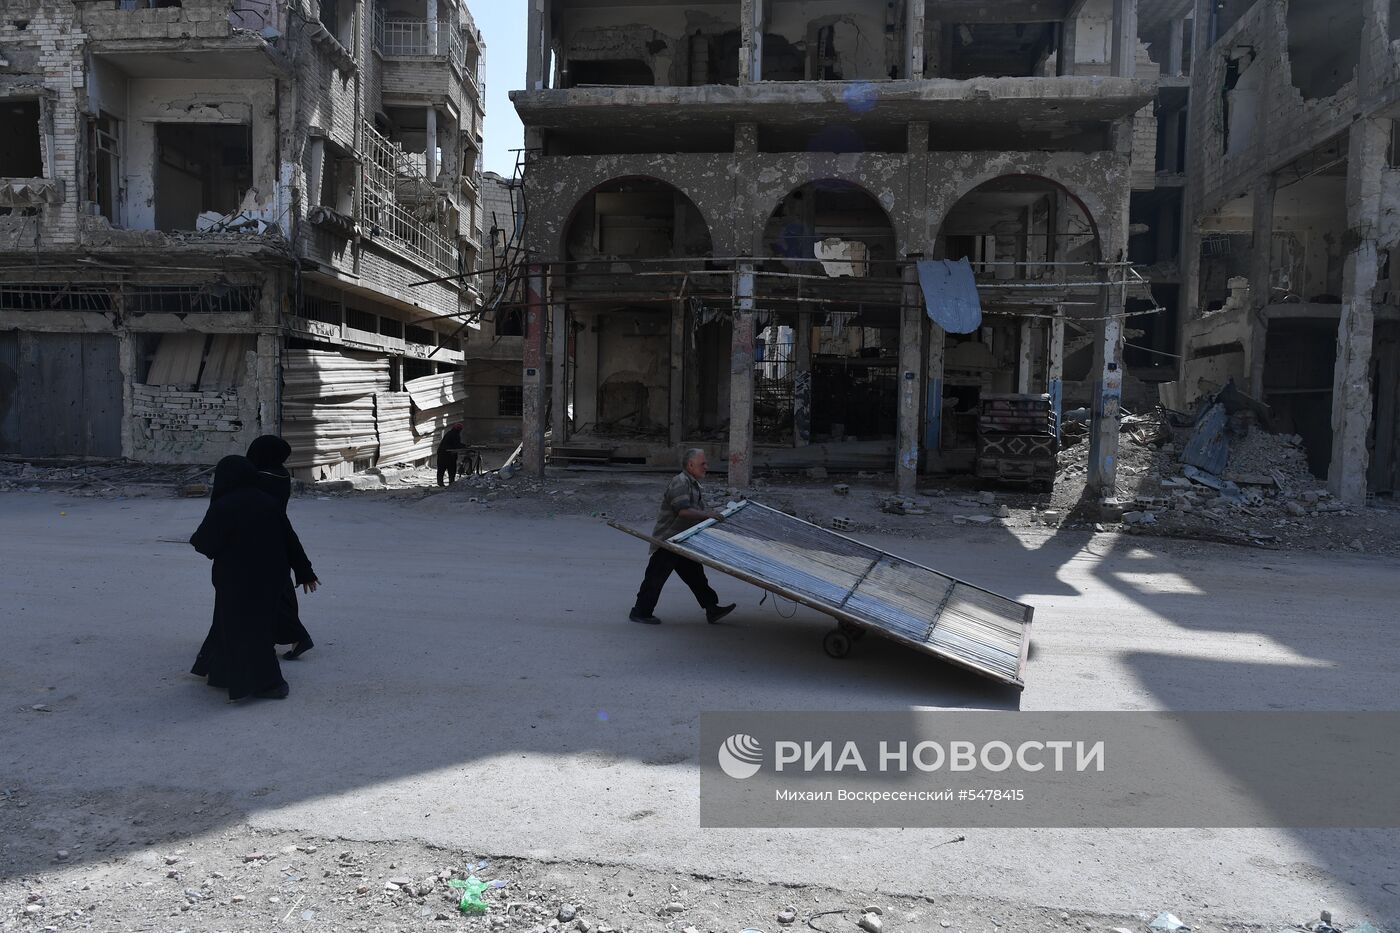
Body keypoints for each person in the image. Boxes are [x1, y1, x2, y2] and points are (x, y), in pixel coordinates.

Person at [188, 456, 296, 701]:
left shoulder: (224, 505)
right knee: (250, 629)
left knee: (241, 630)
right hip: (271, 578)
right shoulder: (268, 501)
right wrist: (304, 570)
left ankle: (268, 685)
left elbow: (204, 543)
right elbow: (289, 539)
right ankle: (222, 674)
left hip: (235, 580)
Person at [628, 448, 736, 625]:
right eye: (703, 464)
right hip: (669, 540)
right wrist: (707, 515)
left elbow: (695, 512)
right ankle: (640, 612)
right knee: (655, 578)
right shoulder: (680, 482)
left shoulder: (692, 483)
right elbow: (684, 511)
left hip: (683, 539)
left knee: (697, 577)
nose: (706, 467)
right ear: (690, 465)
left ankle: (712, 608)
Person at [245, 435, 319, 660]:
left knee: (265, 596)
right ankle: (289, 637)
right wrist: (303, 567)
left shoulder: (259, 479)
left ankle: (294, 636)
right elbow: (284, 525)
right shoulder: (280, 475)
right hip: (277, 544)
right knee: (281, 593)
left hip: (257, 546)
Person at [437, 421, 466, 487]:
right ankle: (451, 482)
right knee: (451, 469)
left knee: (441, 469)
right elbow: (457, 445)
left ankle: (440, 483)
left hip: (442, 453)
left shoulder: (449, 433)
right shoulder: (455, 435)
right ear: (459, 429)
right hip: (448, 454)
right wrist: (465, 446)